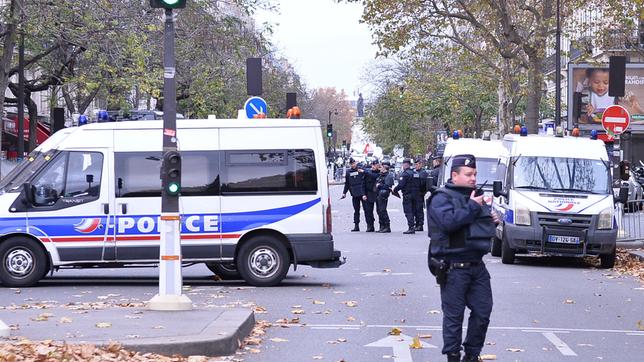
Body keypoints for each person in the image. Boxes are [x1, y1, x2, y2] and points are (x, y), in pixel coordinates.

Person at [426, 154, 501, 362]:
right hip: (453, 268)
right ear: (454, 175)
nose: (473, 178)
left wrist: (491, 221)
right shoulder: (441, 197)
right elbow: (449, 223)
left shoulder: (474, 196)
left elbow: (474, 229)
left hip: (477, 266)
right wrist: (474, 207)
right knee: (454, 318)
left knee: (483, 313)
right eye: (468, 174)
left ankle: (472, 354)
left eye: (475, 174)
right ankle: (452, 356)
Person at [341, 158, 367, 232]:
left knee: (366, 210)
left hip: (362, 193)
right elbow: (347, 184)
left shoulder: (361, 170)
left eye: (354, 163)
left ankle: (369, 225)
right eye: (351, 164)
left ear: (356, 163)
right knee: (356, 210)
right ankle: (356, 226)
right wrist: (344, 193)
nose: (353, 165)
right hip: (354, 193)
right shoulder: (348, 172)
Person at [393, 158, 417, 234]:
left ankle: (411, 227)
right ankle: (415, 225)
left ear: (405, 165)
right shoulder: (415, 173)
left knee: (408, 211)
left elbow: (401, 185)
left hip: (408, 195)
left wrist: (395, 190)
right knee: (413, 210)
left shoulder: (405, 174)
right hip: (415, 194)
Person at [375, 161, 394, 233]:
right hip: (378, 194)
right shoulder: (381, 175)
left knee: (382, 210)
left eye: (382, 167)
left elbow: (387, 186)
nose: (380, 168)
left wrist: (379, 185)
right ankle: (382, 226)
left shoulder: (389, 175)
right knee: (379, 210)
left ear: (385, 168)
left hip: (383, 195)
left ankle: (387, 226)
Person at [363, 160, 380, 232]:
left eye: (375, 165)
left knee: (380, 211)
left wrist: (365, 171)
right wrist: (363, 194)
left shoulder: (380, 173)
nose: (373, 166)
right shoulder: (368, 173)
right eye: (372, 165)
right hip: (369, 193)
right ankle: (370, 226)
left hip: (378, 193)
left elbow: (375, 176)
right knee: (368, 211)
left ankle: (382, 226)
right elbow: (363, 184)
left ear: (378, 165)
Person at [414, 159, 429, 231]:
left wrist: (422, 192)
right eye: (415, 164)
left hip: (419, 193)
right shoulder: (415, 172)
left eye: (417, 164)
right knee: (415, 210)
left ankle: (420, 225)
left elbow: (423, 184)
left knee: (419, 210)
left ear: (420, 164)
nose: (416, 166)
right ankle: (417, 223)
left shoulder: (423, 173)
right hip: (415, 193)